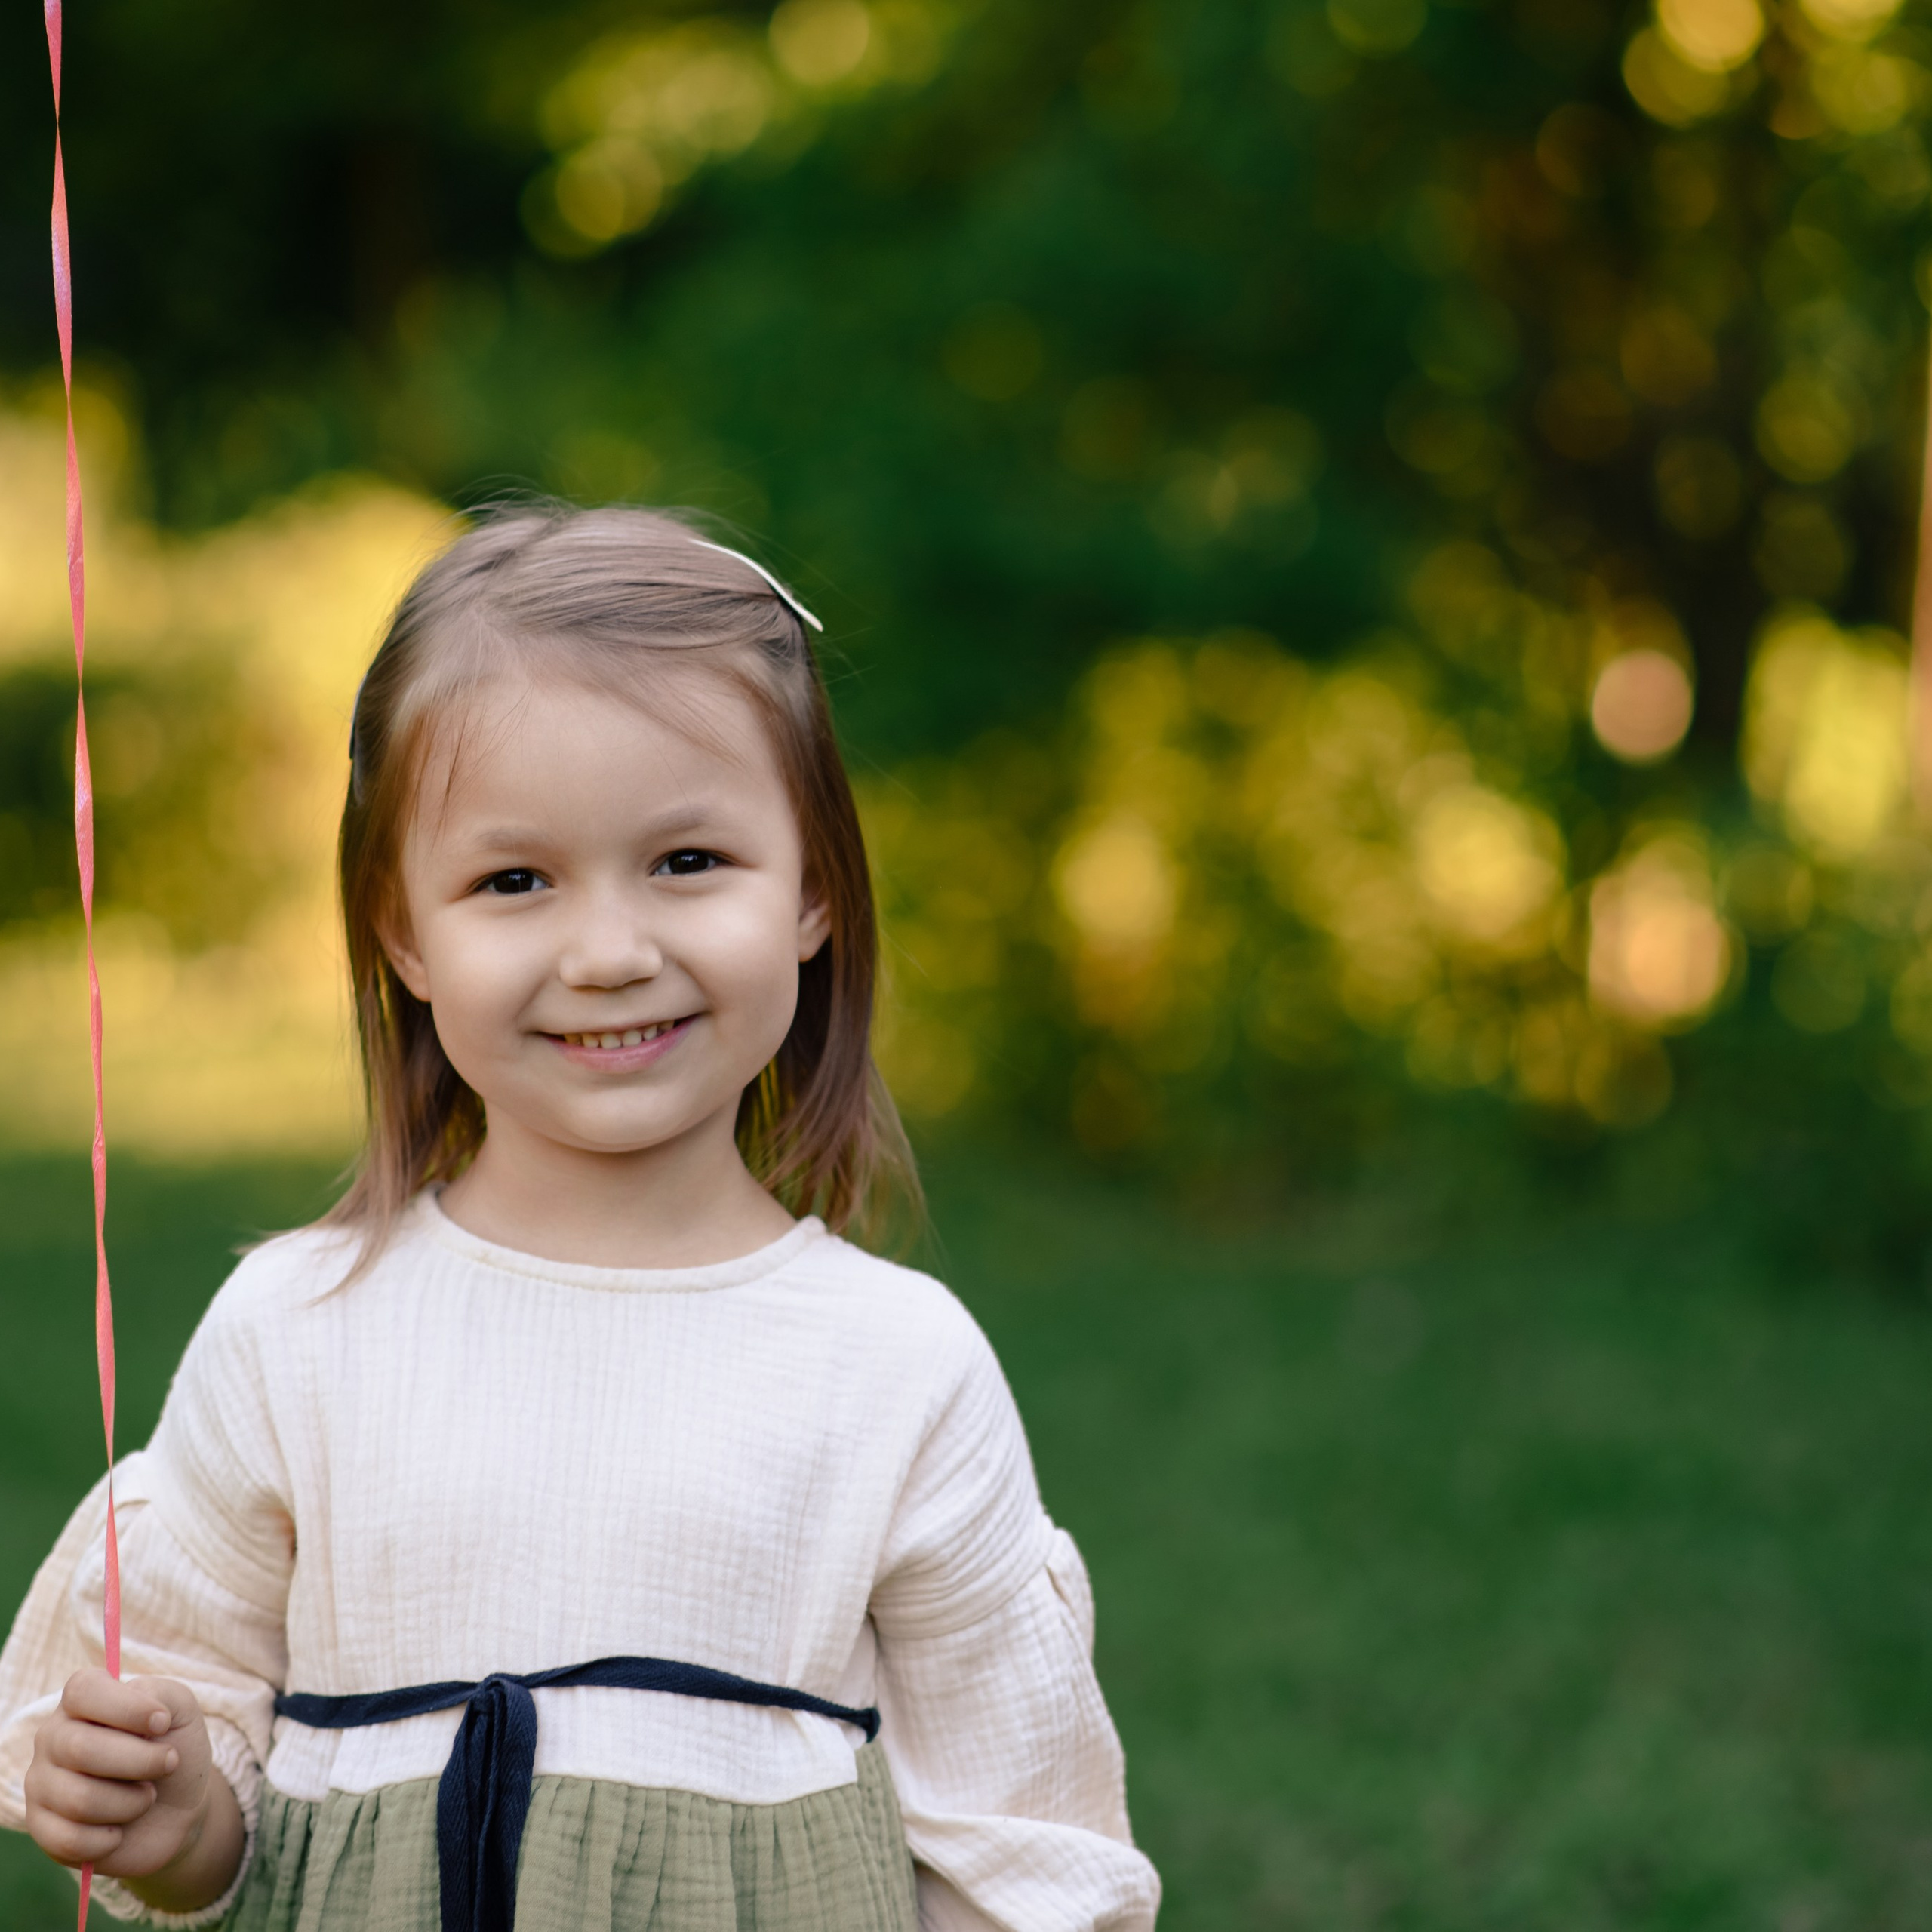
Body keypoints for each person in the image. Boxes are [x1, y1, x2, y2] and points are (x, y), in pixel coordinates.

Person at [0, 506, 1161, 1932]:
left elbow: (1018, 1851)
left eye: (687, 863)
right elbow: (210, 1799)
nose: (611, 955)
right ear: (404, 933)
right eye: (514, 881)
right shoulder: (296, 1335)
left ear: (814, 891)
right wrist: (170, 1818)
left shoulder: (896, 1366)